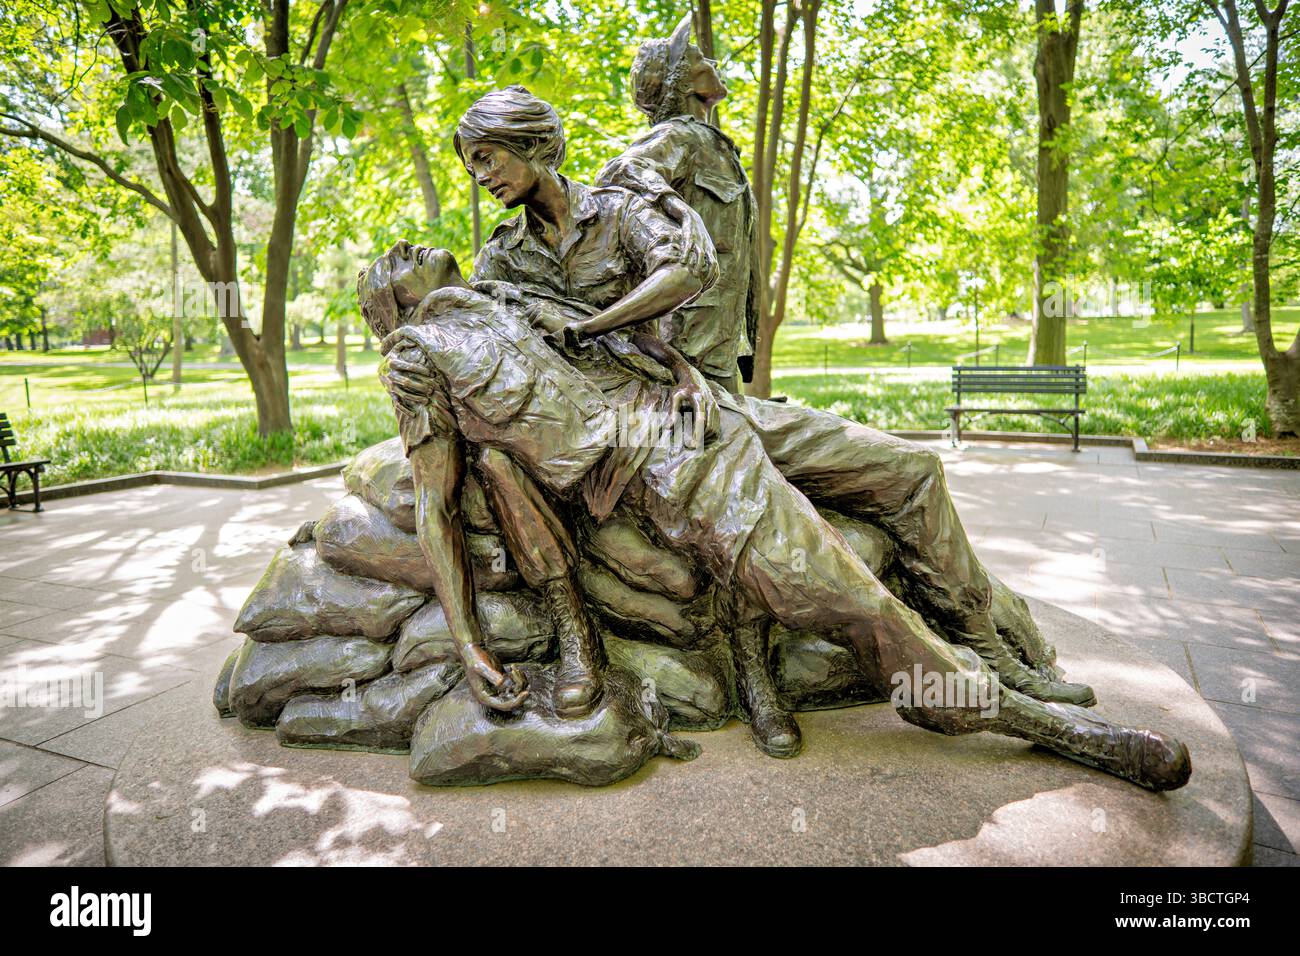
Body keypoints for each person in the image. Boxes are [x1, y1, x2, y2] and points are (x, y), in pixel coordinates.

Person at [359, 87, 1192, 792]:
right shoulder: (492, 273)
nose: (481, 180)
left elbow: (684, 275)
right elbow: (492, 425)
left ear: (534, 142)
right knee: (816, 572)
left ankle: (991, 646)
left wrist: (657, 356)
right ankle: (1001, 709)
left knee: (908, 471)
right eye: (470, 165)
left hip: (701, 402)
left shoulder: (620, 208)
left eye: (487, 159)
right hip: (661, 436)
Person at [595, 17, 1095, 733]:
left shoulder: (715, 145)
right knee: (815, 518)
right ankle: (941, 675)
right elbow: (619, 192)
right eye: (696, 58)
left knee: (916, 470)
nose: (711, 61)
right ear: (678, 84)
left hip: (736, 396)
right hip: (698, 399)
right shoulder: (667, 143)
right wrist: (670, 250)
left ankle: (987, 646)